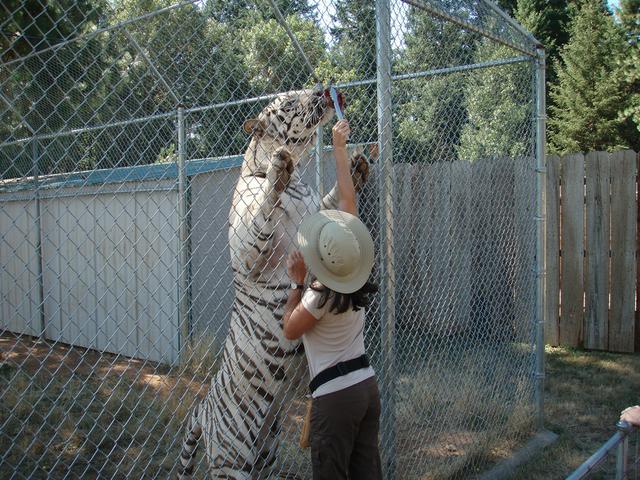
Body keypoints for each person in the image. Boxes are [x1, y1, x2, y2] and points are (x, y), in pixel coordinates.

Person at [282, 119, 382, 480]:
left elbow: (291, 330)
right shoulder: (354, 269)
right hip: (366, 387)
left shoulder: (318, 295)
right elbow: (347, 201)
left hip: (336, 399)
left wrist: (296, 284)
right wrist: (339, 149)